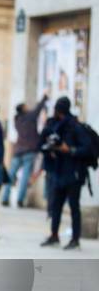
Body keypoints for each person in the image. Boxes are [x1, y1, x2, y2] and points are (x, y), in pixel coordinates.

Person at [40, 96, 91, 250]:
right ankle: (54, 235)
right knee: (56, 205)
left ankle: (75, 239)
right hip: (59, 171)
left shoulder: (76, 127)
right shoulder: (56, 126)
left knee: (74, 207)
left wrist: (70, 150)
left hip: (74, 173)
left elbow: (87, 149)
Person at [2, 92, 48, 207]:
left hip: (18, 150)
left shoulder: (17, 119)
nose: (28, 108)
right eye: (26, 107)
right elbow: (37, 109)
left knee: (11, 175)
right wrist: (45, 97)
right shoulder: (30, 117)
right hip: (29, 151)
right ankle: (20, 199)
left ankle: (5, 198)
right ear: (23, 109)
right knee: (24, 176)